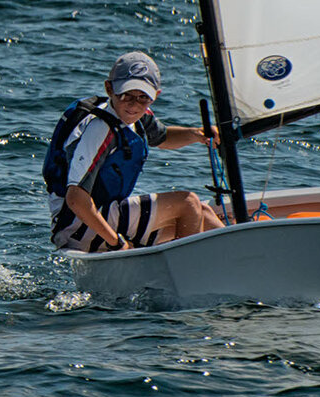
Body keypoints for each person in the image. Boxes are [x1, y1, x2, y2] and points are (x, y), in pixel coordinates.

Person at [41, 50, 226, 253]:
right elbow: (75, 198)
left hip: (96, 216)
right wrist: (117, 243)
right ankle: (189, 276)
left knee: (204, 212)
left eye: (142, 97)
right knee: (187, 203)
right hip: (77, 224)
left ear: (156, 96)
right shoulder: (100, 129)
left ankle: (241, 260)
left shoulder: (137, 117)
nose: (133, 105)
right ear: (109, 88)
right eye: (126, 95)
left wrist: (197, 134)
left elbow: (163, 137)